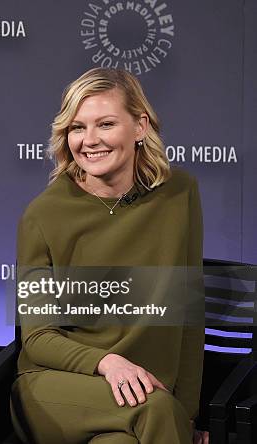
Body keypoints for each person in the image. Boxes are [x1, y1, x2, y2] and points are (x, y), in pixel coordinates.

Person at [11, 68, 207, 444]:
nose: (89, 140)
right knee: (156, 410)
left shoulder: (179, 194)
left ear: (140, 127)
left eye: (105, 124)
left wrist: (189, 413)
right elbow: (37, 338)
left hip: (145, 395)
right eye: (77, 127)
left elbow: (188, 313)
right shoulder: (43, 214)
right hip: (58, 388)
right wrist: (108, 362)